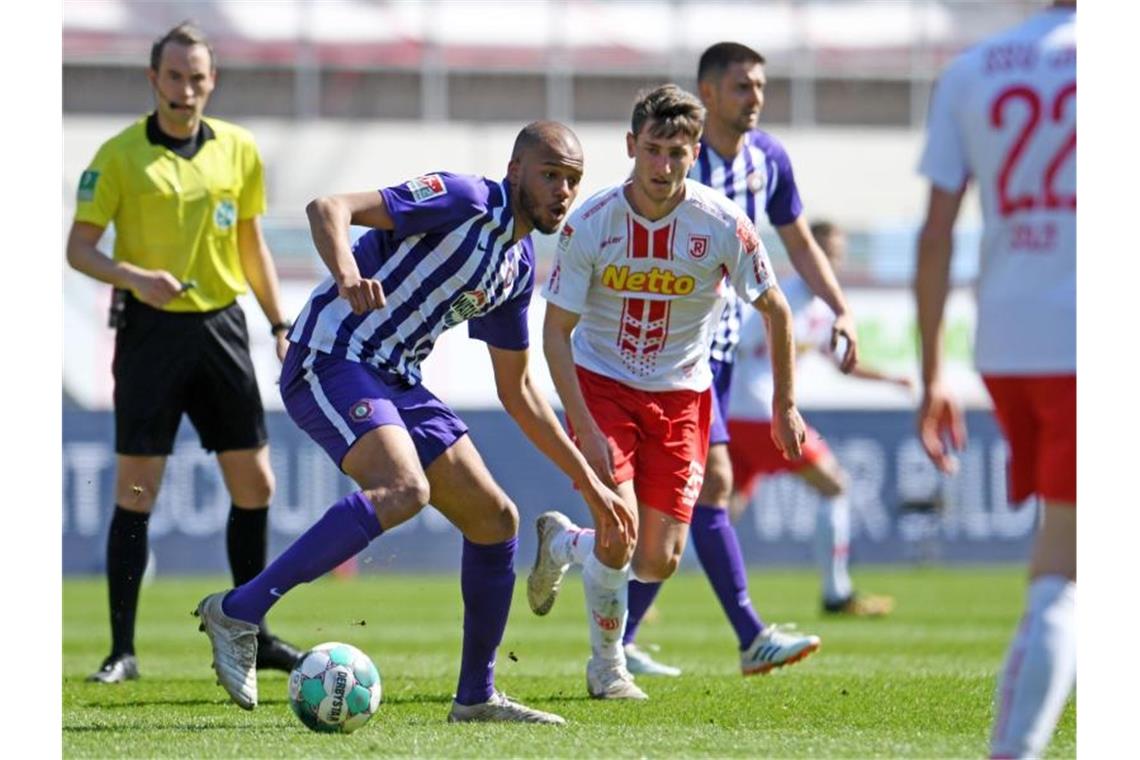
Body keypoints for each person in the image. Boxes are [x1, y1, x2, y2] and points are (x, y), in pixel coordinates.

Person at [195, 121, 630, 724]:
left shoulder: (517, 265)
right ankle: (237, 611)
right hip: (333, 352)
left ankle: (475, 698)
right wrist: (347, 276)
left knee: (494, 519)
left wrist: (589, 483)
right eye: (550, 174)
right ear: (516, 170)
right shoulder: (463, 198)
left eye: (572, 181)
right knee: (406, 490)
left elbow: (520, 390)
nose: (562, 190)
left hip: (397, 376)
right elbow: (329, 208)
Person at [527, 84, 819, 701]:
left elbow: (777, 310)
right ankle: (607, 667)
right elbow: (556, 333)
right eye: (653, 150)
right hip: (601, 386)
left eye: (678, 153)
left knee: (656, 559)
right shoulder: (592, 223)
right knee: (621, 527)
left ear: (694, 154)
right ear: (631, 146)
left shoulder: (721, 225)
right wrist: (583, 427)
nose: (663, 168)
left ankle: (563, 542)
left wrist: (784, 403)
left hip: (683, 397)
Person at [615, 42, 864, 679]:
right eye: (741, 87)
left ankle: (627, 634)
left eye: (759, 86)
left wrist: (839, 306)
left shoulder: (768, 160)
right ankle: (745, 635)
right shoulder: (677, 165)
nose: (754, 98)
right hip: (670, 354)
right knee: (706, 490)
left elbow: (798, 240)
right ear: (707, 90)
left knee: (699, 496)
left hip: (718, 353)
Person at [65, 22, 300, 684]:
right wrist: (136, 278)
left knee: (256, 483)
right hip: (150, 333)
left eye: (198, 78)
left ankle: (250, 634)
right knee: (137, 491)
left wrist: (278, 321)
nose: (186, 89)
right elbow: (78, 248)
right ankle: (121, 651)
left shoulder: (239, 150)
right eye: (174, 77)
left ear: (211, 82)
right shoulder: (117, 157)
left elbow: (252, 244)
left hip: (222, 326)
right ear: (153, 79)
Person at [914, 3, 1075, 757]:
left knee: (1068, 550)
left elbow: (938, 231)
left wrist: (933, 370)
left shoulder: (973, 70)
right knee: (1067, 571)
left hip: (1011, 339)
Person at [723, 220, 906, 610]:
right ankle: (836, 593)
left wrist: (891, 378)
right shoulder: (779, 298)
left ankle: (639, 584)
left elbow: (841, 363)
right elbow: (751, 349)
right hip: (758, 411)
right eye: (823, 253)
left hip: (743, 412)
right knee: (833, 485)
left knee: (721, 508)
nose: (830, 263)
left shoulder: (819, 310)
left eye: (836, 256)